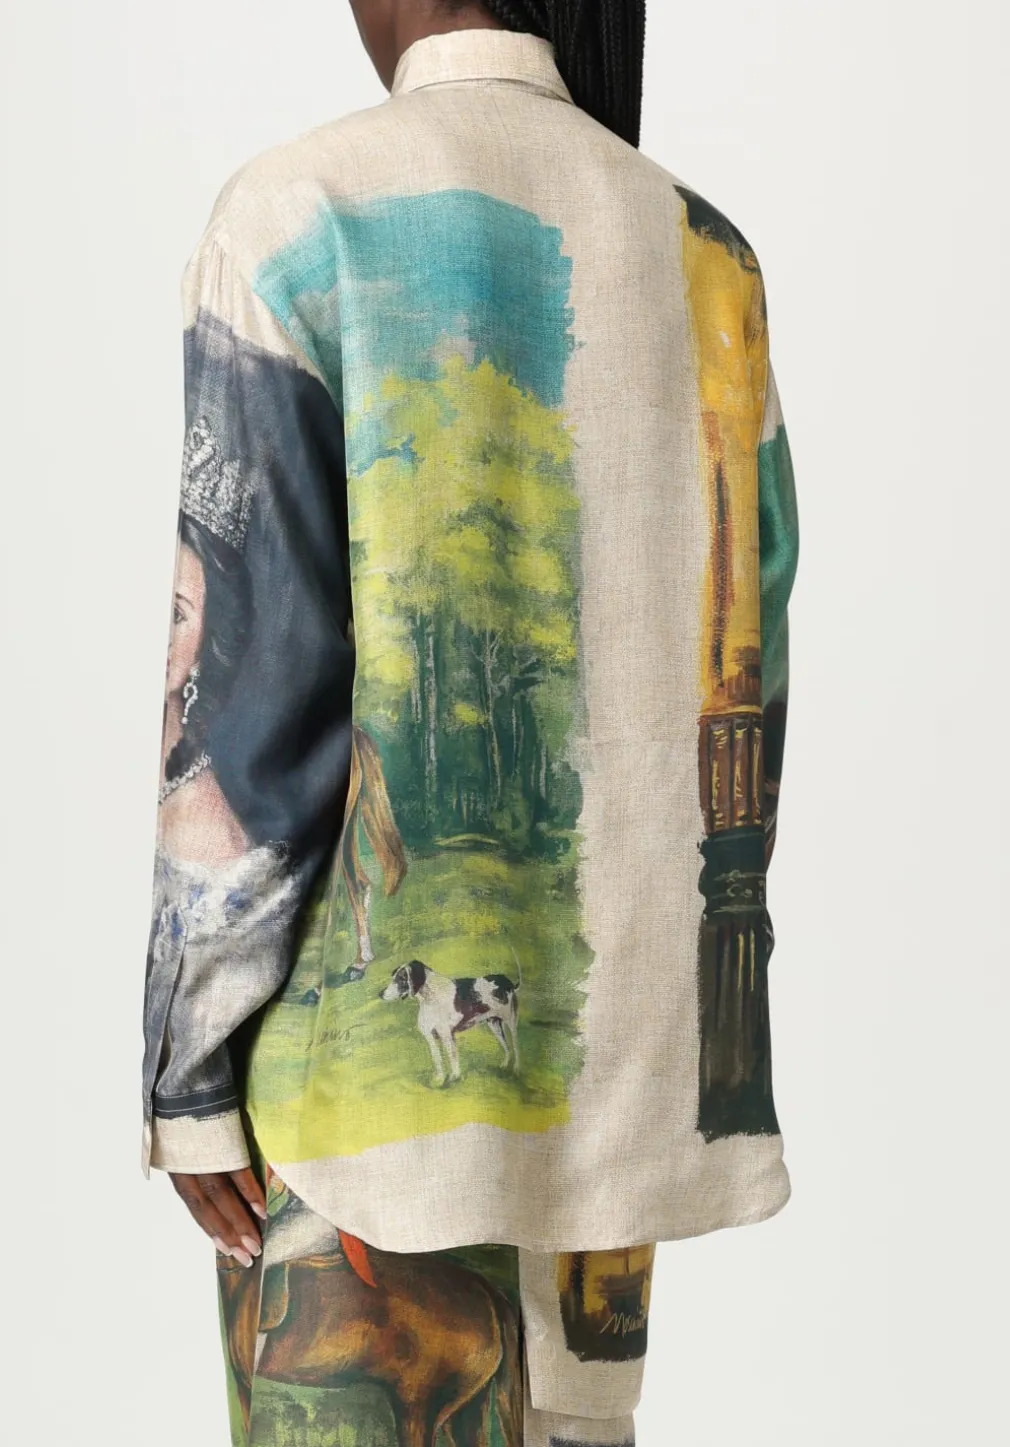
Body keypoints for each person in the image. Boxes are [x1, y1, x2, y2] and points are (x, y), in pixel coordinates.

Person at [140, 2, 801, 1442]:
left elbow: (252, 707)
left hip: (350, 1160)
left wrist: (188, 1076)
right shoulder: (705, 251)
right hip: (607, 1149)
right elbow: (746, 690)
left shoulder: (296, 218)